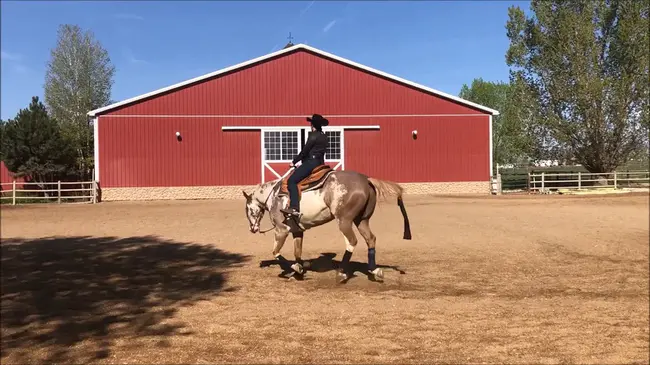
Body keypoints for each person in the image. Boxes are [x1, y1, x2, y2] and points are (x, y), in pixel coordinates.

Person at [281, 114, 329, 218]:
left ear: (313, 125)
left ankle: (294, 208)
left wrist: (294, 162)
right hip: (320, 163)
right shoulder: (324, 136)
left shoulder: (313, 135)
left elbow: (305, 151)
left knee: (291, 181)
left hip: (311, 163)